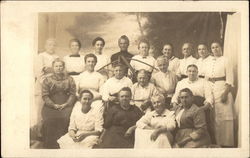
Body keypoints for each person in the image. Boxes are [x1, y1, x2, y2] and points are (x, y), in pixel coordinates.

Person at [204, 41, 235, 147]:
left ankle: (227, 143)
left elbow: (230, 78)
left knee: (224, 118)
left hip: (222, 88)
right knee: (214, 117)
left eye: (217, 47)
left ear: (221, 48)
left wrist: (226, 92)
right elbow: (206, 77)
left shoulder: (226, 60)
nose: (215, 49)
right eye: (213, 47)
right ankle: (217, 143)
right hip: (211, 89)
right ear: (211, 49)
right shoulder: (208, 62)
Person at [41, 59, 76, 149]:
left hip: (66, 103)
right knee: (49, 119)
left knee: (66, 117)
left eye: (60, 66)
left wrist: (66, 104)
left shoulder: (69, 79)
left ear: (63, 67)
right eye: (56, 66)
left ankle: (64, 145)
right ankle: (50, 145)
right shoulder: (47, 80)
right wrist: (53, 105)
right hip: (51, 104)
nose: (58, 68)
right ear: (53, 67)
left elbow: (72, 94)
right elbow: (45, 95)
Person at [32, 38, 59, 136]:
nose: (51, 47)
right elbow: (39, 73)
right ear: (45, 46)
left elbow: (60, 70)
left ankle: (50, 131)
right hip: (42, 86)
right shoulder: (40, 56)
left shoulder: (57, 57)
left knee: (51, 108)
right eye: (49, 45)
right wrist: (47, 83)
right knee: (41, 108)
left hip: (55, 85)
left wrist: (49, 69)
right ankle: (39, 131)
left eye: (53, 45)